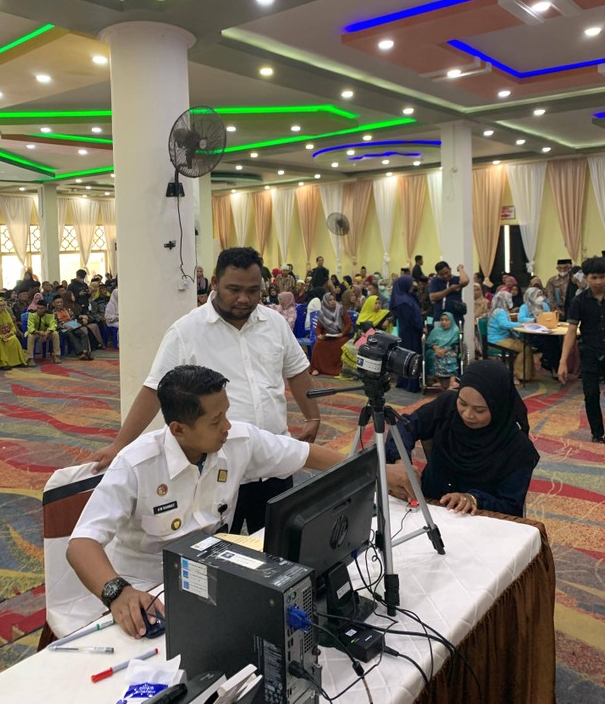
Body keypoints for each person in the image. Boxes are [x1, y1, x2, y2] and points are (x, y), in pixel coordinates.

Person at [67, 364, 411, 637]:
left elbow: (306, 454)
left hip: (210, 574)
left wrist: (378, 470)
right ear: (178, 429)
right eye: (216, 421)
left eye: (226, 414)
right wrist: (117, 592)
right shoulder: (136, 464)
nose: (227, 427)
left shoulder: (236, 441)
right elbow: (81, 543)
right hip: (147, 589)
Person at [90, 247, 323, 534]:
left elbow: (297, 372)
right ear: (214, 283)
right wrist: (119, 445)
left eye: (253, 291)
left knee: (278, 551)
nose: (244, 298)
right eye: (234, 289)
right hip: (219, 469)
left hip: (273, 461)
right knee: (218, 555)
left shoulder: (274, 323)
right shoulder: (186, 330)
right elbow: (154, 390)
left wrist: (313, 416)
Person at [385, 360, 540, 517]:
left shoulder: (518, 448)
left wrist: (473, 499)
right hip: (430, 505)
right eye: (463, 403)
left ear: (498, 407)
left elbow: (510, 505)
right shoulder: (447, 406)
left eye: (479, 410)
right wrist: (401, 462)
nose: (467, 414)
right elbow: (406, 426)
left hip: (479, 521)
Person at [558, 256, 605, 443]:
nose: (599, 282)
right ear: (586, 278)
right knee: (591, 395)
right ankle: (597, 434)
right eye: (594, 278)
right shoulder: (579, 301)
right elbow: (571, 331)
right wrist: (563, 361)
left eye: (602, 277)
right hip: (590, 354)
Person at [487, 291, 534, 382]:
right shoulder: (500, 311)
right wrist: (521, 324)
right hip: (498, 340)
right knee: (525, 348)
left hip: (500, 338)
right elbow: (504, 324)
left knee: (526, 346)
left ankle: (526, 374)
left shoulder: (498, 310)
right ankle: (518, 374)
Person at [390, 275, 423, 393]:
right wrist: (420, 327)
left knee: (407, 356)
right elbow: (411, 320)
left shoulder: (406, 298)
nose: (412, 286)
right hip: (410, 333)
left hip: (409, 331)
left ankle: (405, 382)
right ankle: (411, 384)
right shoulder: (403, 302)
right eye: (410, 284)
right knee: (411, 357)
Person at [518, 287, 561, 376]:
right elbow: (521, 318)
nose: (540, 297)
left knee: (557, 339)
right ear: (531, 296)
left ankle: (552, 364)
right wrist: (536, 319)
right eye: (538, 295)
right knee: (550, 342)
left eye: (541, 295)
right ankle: (551, 365)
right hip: (532, 335)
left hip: (546, 331)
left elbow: (549, 316)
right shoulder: (525, 307)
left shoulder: (544, 305)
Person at [309, 292, 352, 376]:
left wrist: (342, 334)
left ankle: (337, 369)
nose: (333, 302)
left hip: (340, 335)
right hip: (327, 336)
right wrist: (319, 335)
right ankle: (316, 368)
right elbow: (318, 327)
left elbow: (348, 324)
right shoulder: (322, 312)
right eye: (330, 300)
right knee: (318, 343)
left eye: (334, 299)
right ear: (325, 302)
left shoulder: (341, 309)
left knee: (342, 343)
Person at [0, 298, 27, 370]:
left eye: (3, 305)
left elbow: (12, 326)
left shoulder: (6, 313)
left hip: (7, 334)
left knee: (14, 339)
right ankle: (3, 364)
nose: (1, 307)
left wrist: (11, 333)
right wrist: (1, 336)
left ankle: (18, 362)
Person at [425, 311, 460, 389]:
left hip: (449, 350)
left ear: (451, 321)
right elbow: (429, 342)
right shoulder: (436, 330)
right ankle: (437, 380)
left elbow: (454, 344)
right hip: (435, 349)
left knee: (450, 356)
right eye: (442, 320)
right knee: (429, 355)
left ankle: (452, 381)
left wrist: (443, 351)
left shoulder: (455, 330)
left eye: (447, 320)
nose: (444, 322)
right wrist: (436, 348)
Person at [52, 296, 93, 360]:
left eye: (61, 302)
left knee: (82, 333)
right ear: (53, 304)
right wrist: (64, 326)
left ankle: (85, 351)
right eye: (58, 302)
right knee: (69, 333)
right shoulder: (52, 313)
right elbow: (54, 324)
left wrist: (77, 324)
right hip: (62, 329)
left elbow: (73, 318)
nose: (60, 304)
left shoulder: (68, 310)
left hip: (72, 326)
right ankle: (81, 352)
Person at [26, 300, 61, 365]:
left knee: (55, 334)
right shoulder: (32, 314)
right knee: (30, 336)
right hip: (36, 332)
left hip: (47, 332)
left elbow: (53, 325)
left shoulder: (50, 314)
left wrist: (47, 332)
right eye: (38, 308)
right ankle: (30, 359)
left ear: (45, 308)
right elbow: (30, 327)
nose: (39, 310)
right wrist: (38, 332)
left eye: (41, 309)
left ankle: (56, 356)